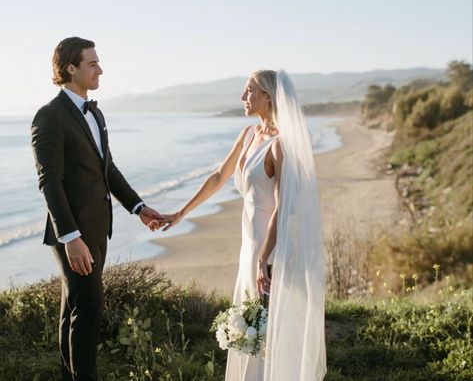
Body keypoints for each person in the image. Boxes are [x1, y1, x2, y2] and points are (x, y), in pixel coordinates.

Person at [152, 69, 326, 380]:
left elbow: (283, 206)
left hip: (271, 245)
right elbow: (219, 176)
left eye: (249, 92)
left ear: (268, 98)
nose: (243, 97)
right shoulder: (248, 134)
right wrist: (181, 212)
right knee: (250, 322)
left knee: (266, 324)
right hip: (249, 244)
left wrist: (264, 257)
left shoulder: (280, 146)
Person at [31, 37, 162, 381]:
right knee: (88, 311)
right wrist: (71, 238)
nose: (100, 69)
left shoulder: (96, 113)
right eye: (92, 63)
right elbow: (50, 182)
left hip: (98, 228)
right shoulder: (49, 117)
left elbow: (108, 170)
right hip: (72, 233)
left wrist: (139, 207)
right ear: (70, 68)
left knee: (72, 310)